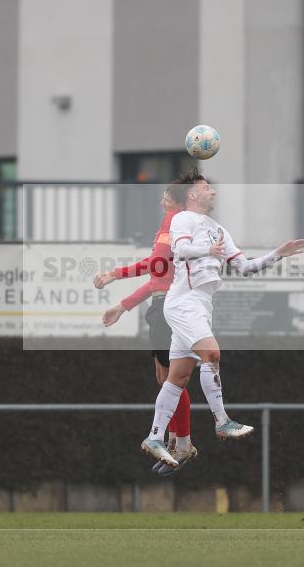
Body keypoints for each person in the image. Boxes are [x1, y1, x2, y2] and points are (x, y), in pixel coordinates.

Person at [140, 170, 304, 467]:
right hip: (182, 303)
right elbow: (179, 250)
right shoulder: (182, 219)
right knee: (212, 353)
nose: (213, 192)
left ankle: (154, 436)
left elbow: (245, 267)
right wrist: (207, 249)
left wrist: (277, 254)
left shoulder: (219, 229)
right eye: (206, 187)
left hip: (201, 305)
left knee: (178, 377)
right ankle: (221, 421)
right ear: (192, 194)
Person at [94, 185, 195, 475]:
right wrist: (123, 306)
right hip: (166, 305)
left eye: (166, 195)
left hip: (169, 309)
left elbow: (156, 264)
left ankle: (182, 444)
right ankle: (177, 441)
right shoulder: (179, 225)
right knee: (165, 377)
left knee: (172, 379)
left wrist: (115, 273)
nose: (162, 200)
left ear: (175, 201)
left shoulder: (174, 222)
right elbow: (158, 277)